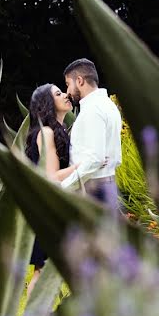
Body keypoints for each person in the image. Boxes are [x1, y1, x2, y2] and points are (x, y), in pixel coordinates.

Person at [24, 83, 76, 294]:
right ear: (47, 104)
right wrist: (85, 166)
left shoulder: (58, 130)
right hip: (44, 206)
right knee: (42, 269)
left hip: (51, 204)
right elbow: (51, 176)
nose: (65, 95)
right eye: (58, 94)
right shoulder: (45, 132)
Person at [62, 58, 122, 207]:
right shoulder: (109, 106)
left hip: (93, 192)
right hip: (108, 186)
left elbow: (95, 159)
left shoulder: (92, 110)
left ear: (80, 81)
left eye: (68, 84)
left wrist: (63, 187)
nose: (68, 92)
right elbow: (116, 158)